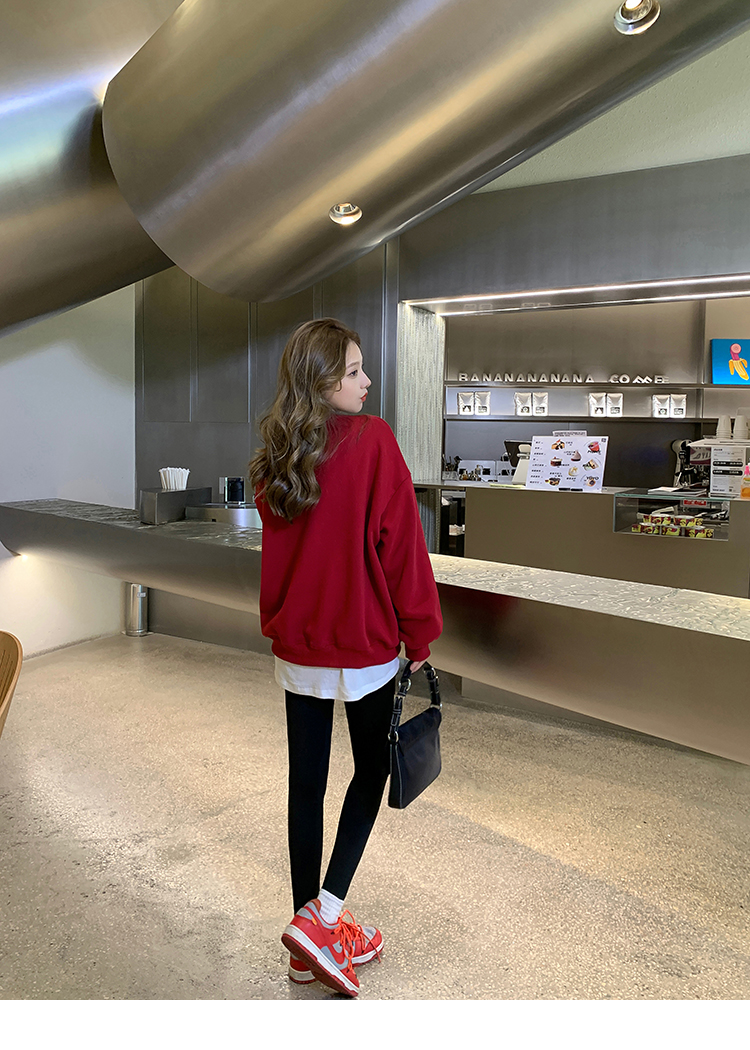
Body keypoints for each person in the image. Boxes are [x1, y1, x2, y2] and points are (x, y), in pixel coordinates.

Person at [249, 318, 442, 998]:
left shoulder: (277, 455)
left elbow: (282, 558)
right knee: (371, 770)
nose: (367, 381)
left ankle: (306, 949)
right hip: (362, 643)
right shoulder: (372, 440)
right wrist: (420, 633)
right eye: (355, 370)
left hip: (299, 642)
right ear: (324, 378)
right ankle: (325, 916)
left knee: (306, 783)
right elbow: (402, 550)